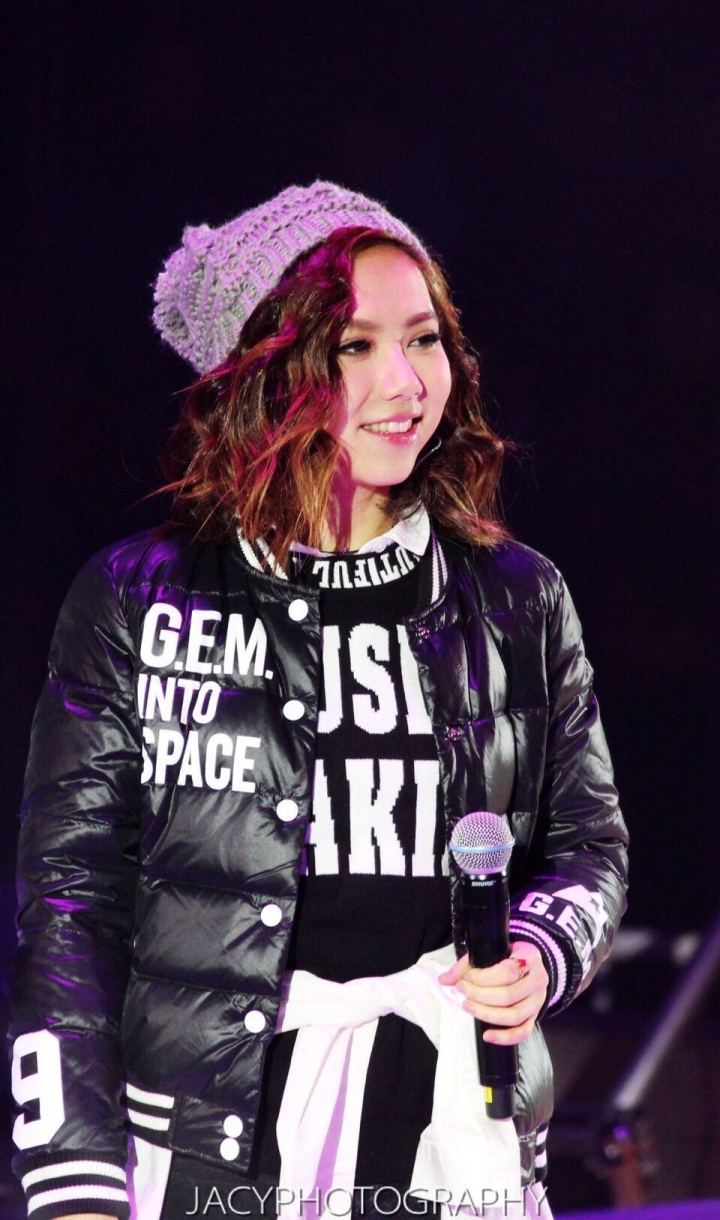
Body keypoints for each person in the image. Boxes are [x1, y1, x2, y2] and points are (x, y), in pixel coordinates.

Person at [9, 181, 629, 1220]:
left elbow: (589, 846)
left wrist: (539, 947)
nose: (405, 381)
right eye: (353, 347)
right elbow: (70, 905)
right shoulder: (137, 598)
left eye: (424, 339)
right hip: (210, 1144)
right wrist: (72, 1178)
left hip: (453, 1131)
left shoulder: (518, 598)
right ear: (266, 375)